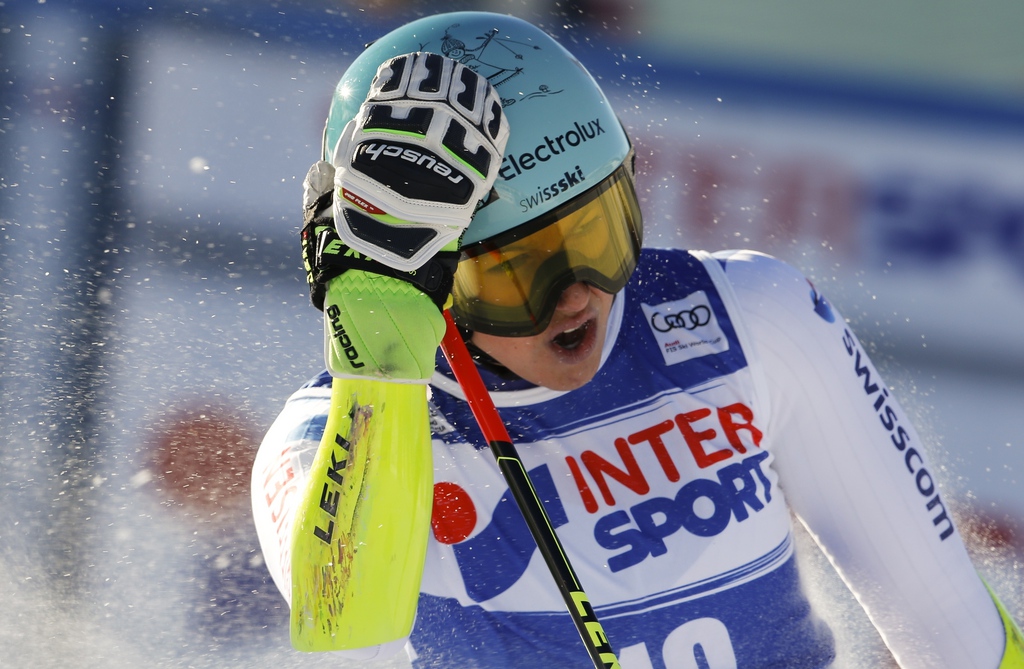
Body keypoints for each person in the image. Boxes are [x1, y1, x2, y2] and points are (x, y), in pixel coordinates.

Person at [250, 10, 1024, 668]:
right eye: (521, 270)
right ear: (429, 281)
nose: (580, 292)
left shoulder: (751, 316)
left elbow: (961, 639)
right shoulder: (321, 442)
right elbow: (345, 622)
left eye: (598, 233)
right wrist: (380, 352)